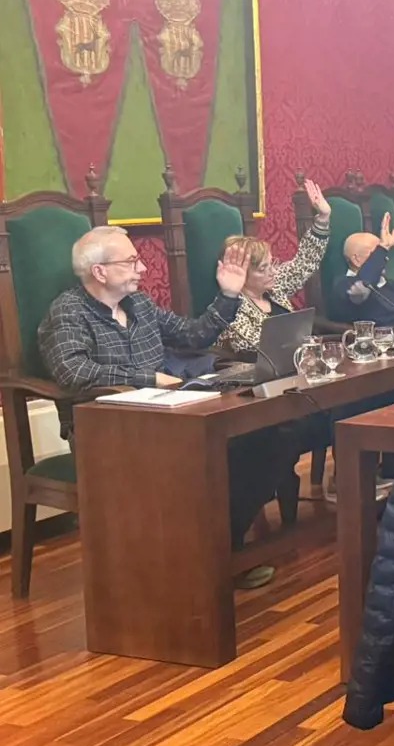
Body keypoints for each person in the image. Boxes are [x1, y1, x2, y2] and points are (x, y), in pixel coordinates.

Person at [38, 226, 287, 589]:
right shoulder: (68, 311)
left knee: (268, 438)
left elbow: (193, 335)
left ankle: (219, 548)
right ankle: (203, 560)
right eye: (131, 261)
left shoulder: (139, 304)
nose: (142, 269)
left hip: (168, 415)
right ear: (99, 271)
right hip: (106, 429)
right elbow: (73, 371)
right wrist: (147, 378)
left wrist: (229, 295)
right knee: (213, 454)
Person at [218, 180, 331, 353]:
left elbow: (304, 263)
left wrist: (323, 218)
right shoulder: (231, 309)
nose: (272, 272)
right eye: (263, 269)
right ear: (242, 274)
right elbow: (254, 347)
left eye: (272, 264)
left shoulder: (274, 288)